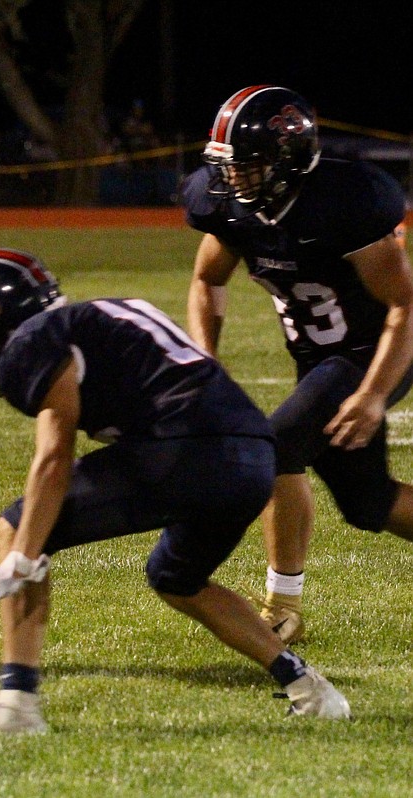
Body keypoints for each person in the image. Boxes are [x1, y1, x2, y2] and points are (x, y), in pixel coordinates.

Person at [0, 248, 350, 734]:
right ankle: (307, 686)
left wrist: (21, 555)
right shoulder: (106, 314)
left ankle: (16, 702)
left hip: (186, 449)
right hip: (254, 456)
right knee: (176, 576)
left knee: (17, 525)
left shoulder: (34, 339)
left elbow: (54, 456)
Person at [181, 85, 413, 644]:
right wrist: (204, 363)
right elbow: (207, 281)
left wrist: (374, 393)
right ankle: (285, 603)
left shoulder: (345, 202)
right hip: (317, 358)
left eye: (250, 166)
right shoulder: (229, 207)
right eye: (229, 167)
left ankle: (281, 608)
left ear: (290, 162)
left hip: (372, 350)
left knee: (274, 444)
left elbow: (404, 307)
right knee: (367, 502)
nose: (234, 180)